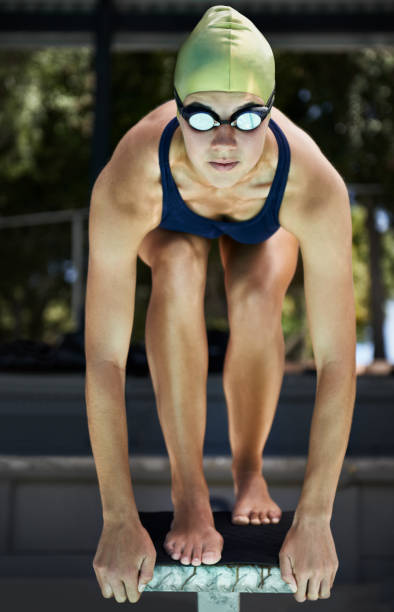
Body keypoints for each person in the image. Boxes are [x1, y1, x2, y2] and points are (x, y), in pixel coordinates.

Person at [84, 4, 357, 606]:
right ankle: (190, 491)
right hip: (173, 219)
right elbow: (102, 357)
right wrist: (117, 516)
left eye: (249, 117)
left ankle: (248, 470)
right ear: (178, 110)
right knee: (178, 268)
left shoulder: (313, 183)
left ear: (271, 110)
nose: (226, 141)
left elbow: (338, 359)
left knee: (257, 293)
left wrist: (315, 516)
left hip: (265, 220)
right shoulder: (132, 176)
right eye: (203, 118)